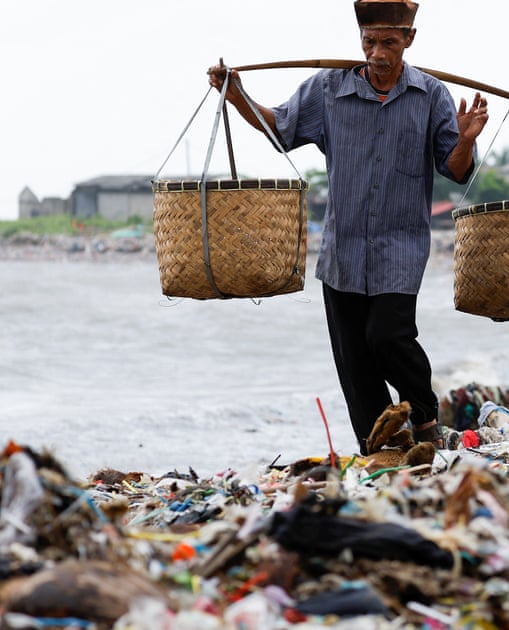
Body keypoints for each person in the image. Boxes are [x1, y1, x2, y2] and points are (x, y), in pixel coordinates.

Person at [207, 0, 488, 454]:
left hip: (400, 247)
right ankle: (381, 448)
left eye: (389, 43)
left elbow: (455, 169)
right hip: (343, 250)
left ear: (409, 41)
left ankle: (424, 414)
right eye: (370, 42)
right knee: (355, 361)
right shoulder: (328, 90)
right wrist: (237, 94)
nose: (377, 53)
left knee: (388, 337)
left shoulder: (429, 95)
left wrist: (466, 139)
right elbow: (279, 129)